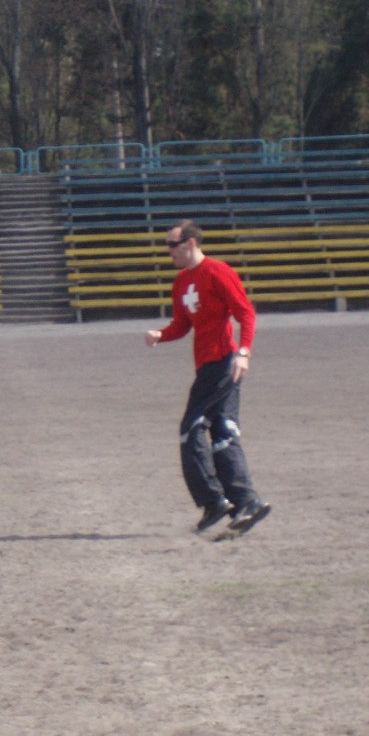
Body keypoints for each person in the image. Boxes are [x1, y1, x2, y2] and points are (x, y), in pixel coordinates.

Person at [143, 220, 271, 534]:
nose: (168, 251)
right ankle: (246, 502)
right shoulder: (181, 283)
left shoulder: (218, 271)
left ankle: (213, 500)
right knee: (224, 431)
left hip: (225, 361)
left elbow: (246, 313)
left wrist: (244, 352)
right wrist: (161, 334)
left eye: (172, 245)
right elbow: (182, 325)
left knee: (191, 427)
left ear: (190, 244)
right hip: (207, 364)